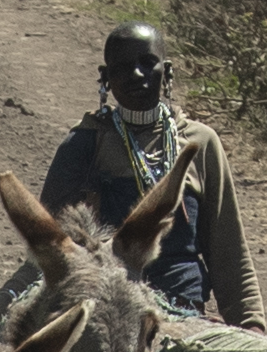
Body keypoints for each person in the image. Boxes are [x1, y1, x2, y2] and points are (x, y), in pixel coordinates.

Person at [45, 24, 256, 325]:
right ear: (105, 78)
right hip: (108, 314)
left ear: (167, 72)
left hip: (184, 314)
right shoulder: (84, 145)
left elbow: (228, 251)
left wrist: (251, 324)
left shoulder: (200, 142)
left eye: (147, 63)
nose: (136, 74)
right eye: (122, 66)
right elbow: (50, 250)